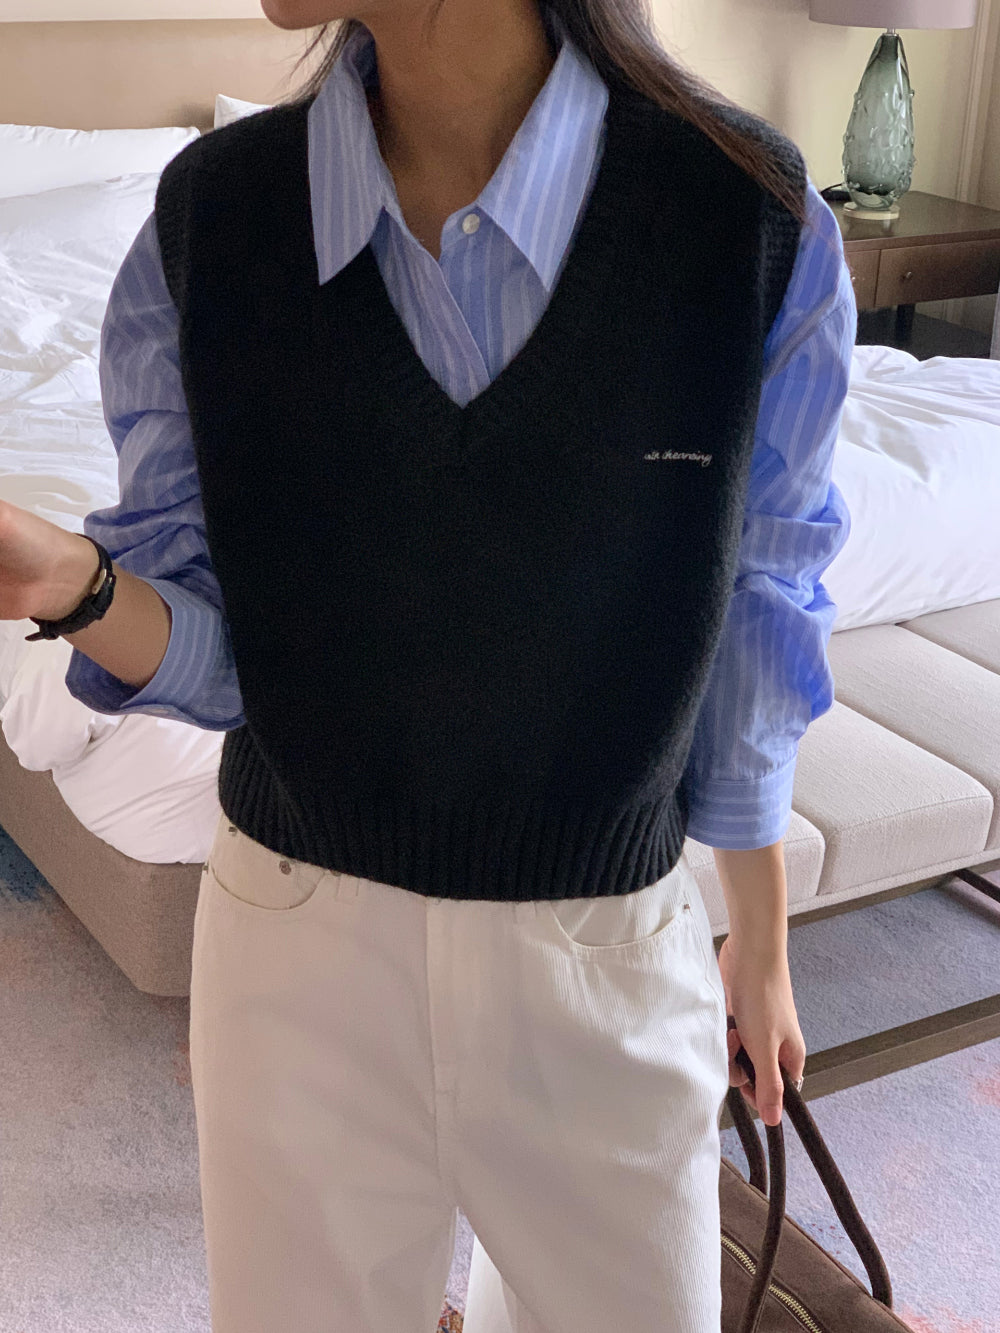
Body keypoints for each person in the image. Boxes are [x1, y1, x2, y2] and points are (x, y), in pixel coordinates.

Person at [0, 0, 856, 1328]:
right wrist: (73, 584)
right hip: (294, 948)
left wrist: (761, 938)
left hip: (605, 950)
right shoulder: (211, 223)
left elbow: (760, 598)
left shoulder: (745, 215)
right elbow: (241, 658)